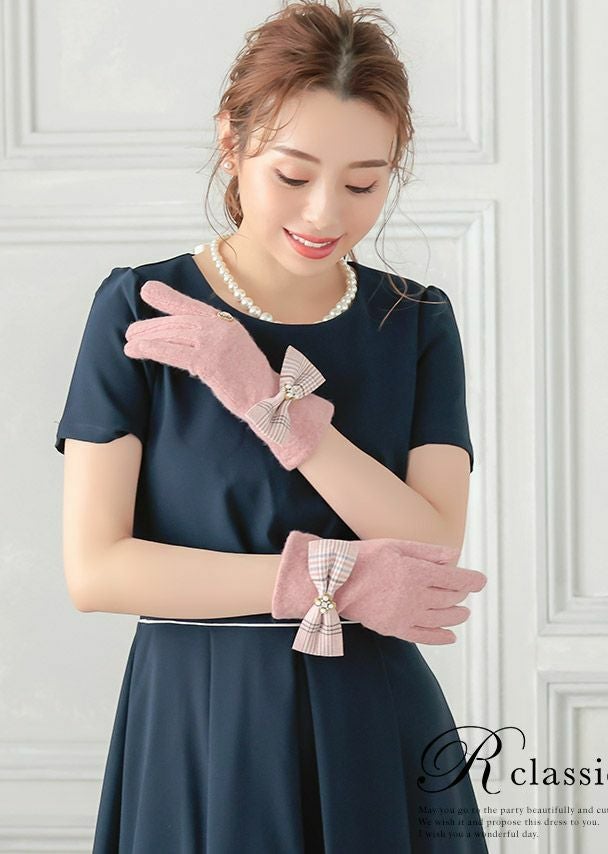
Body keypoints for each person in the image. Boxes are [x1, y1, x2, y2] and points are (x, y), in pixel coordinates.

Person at [54, 1, 490, 850]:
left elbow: (430, 549)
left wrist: (269, 401)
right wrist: (325, 580)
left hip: (372, 718)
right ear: (233, 140)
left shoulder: (416, 321)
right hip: (197, 720)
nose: (325, 213)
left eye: (363, 184)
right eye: (293, 176)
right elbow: (96, 571)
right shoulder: (141, 307)